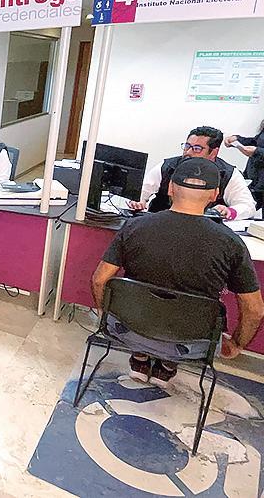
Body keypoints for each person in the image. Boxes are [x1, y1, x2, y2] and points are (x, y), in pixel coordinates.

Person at [92, 158, 264, 387]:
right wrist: (236, 344)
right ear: (215, 195)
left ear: (171, 188)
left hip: (128, 330)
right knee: (181, 320)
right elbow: (254, 309)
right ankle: (167, 364)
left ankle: (140, 356)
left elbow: (99, 280)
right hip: (193, 342)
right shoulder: (231, 244)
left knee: (146, 310)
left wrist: (104, 315)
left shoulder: (134, 226)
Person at [127, 126, 255, 220]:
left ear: (213, 152)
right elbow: (141, 191)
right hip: (161, 223)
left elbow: (248, 206)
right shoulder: (167, 166)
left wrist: (230, 211)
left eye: (197, 149)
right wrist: (138, 201)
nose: (188, 152)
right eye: (187, 146)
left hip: (206, 230)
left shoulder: (228, 174)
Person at [224, 119, 264, 210]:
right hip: (256, 181)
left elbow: (258, 148)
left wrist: (257, 151)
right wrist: (237, 140)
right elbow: (257, 142)